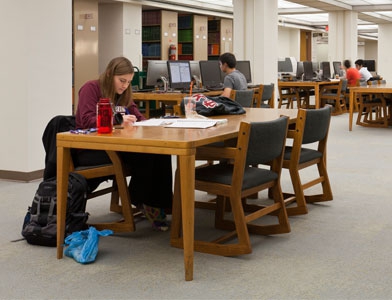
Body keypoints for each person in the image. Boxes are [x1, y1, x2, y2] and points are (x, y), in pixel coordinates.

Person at [75, 56, 172, 231]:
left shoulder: (123, 93)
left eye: (128, 82)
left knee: (161, 150)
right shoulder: (91, 88)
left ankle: (160, 204)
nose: (124, 86)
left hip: (116, 144)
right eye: (122, 81)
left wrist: (150, 123)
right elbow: (87, 120)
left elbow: (138, 115)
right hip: (92, 147)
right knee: (145, 155)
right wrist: (117, 119)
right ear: (110, 74)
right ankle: (140, 198)